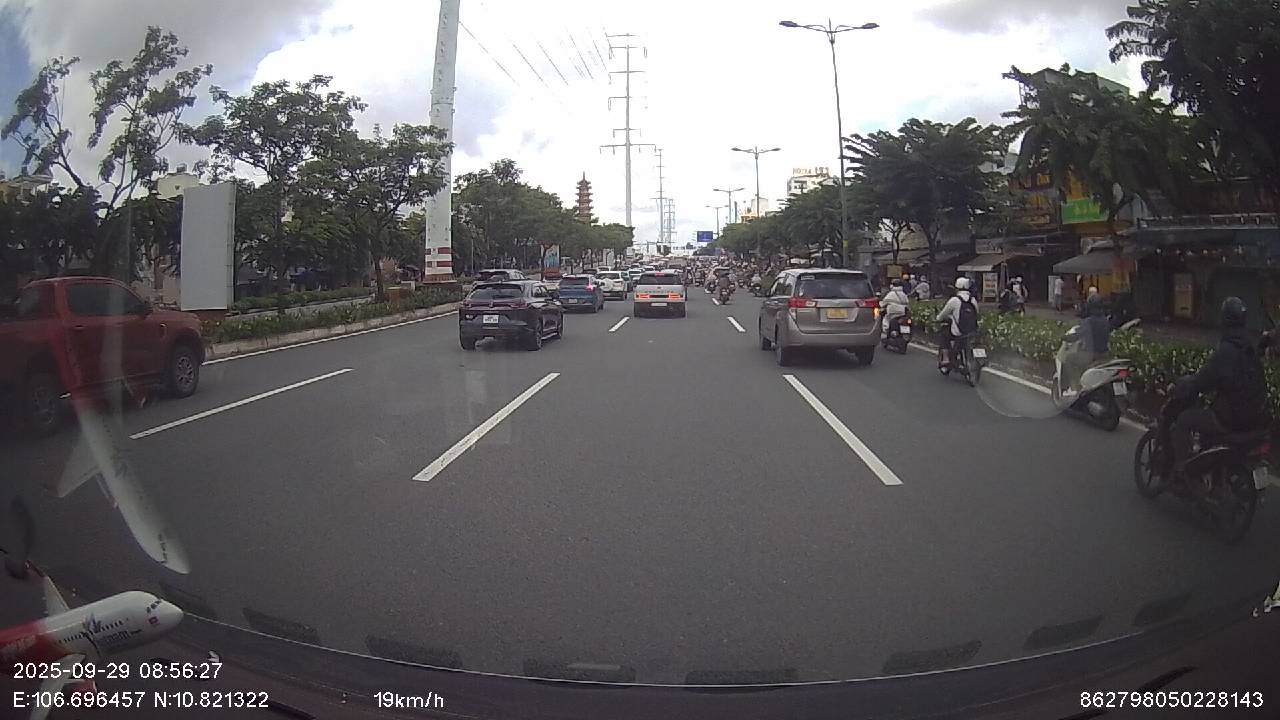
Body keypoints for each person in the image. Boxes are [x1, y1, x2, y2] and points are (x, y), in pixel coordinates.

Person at [1169, 297, 1273, 475]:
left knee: (1185, 419)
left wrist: (1183, 385)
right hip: (1256, 418)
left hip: (1233, 418)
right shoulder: (1249, 347)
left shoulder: (1226, 351)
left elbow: (1202, 381)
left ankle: (1181, 469)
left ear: (1224, 319)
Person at [1062, 295, 1112, 393]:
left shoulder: (1088, 321)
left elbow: (1076, 336)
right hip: (1105, 355)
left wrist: (1064, 337)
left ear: (1090, 307)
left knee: (1069, 359)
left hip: (1090, 355)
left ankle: (1075, 387)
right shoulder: (1105, 320)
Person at [935, 277, 979, 367]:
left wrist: (938, 318)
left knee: (943, 334)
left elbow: (943, 314)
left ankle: (946, 358)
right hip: (972, 331)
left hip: (958, 332)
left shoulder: (954, 300)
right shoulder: (973, 300)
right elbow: (977, 313)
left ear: (957, 287)